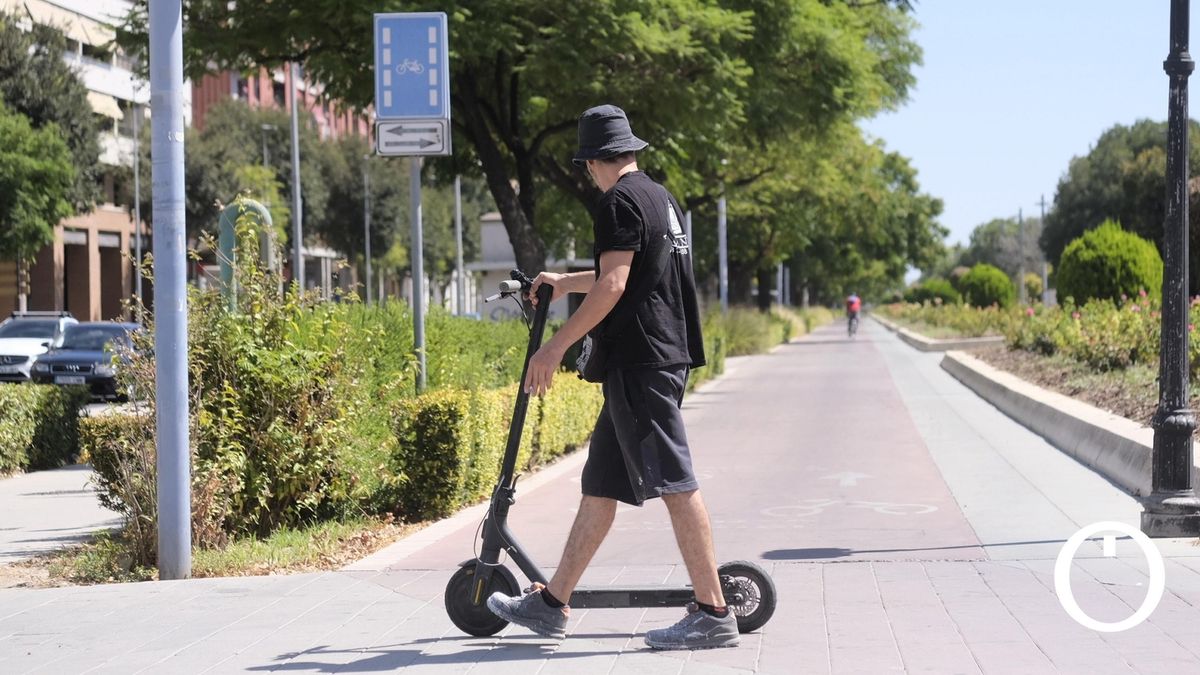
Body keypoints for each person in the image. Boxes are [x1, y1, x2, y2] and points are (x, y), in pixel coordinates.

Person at [486, 104, 738, 650]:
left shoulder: (617, 202)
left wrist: (556, 346)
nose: (587, 173)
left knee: (675, 482)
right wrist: (562, 280)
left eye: (586, 164)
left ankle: (714, 612)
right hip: (655, 357)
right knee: (601, 484)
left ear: (596, 160)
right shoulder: (659, 198)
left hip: (641, 362)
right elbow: (626, 271)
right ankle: (553, 604)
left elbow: (614, 284)